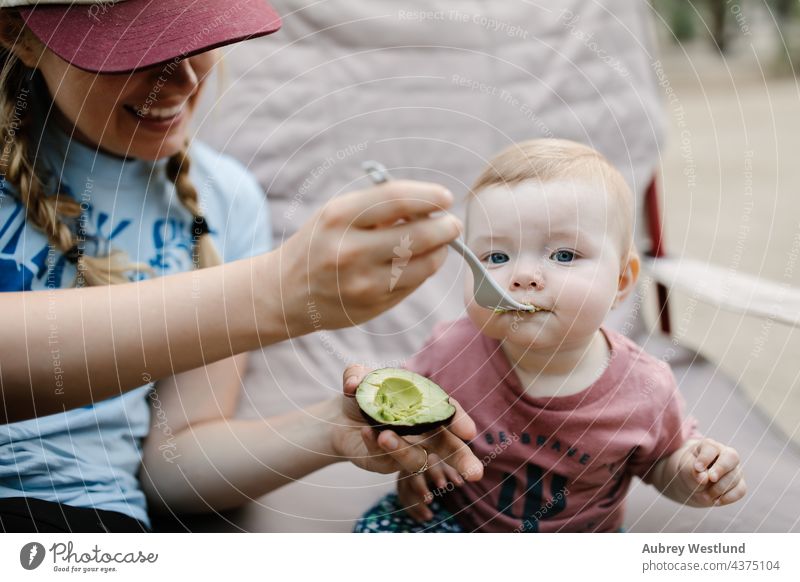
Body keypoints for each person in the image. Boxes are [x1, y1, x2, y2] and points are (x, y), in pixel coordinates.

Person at [0, 0, 482, 533]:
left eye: (193, 40)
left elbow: (170, 467)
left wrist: (331, 429)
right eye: (136, 51)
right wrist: (274, 294)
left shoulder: (225, 200)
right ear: (17, 33)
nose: (182, 81)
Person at [354, 139, 746, 533]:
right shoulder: (451, 351)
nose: (523, 276)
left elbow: (663, 466)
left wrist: (697, 474)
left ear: (621, 281)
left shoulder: (645, 387)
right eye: (496, 257)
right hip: (455, 521)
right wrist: (415, 457)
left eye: (563, 255)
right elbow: (408, 419)